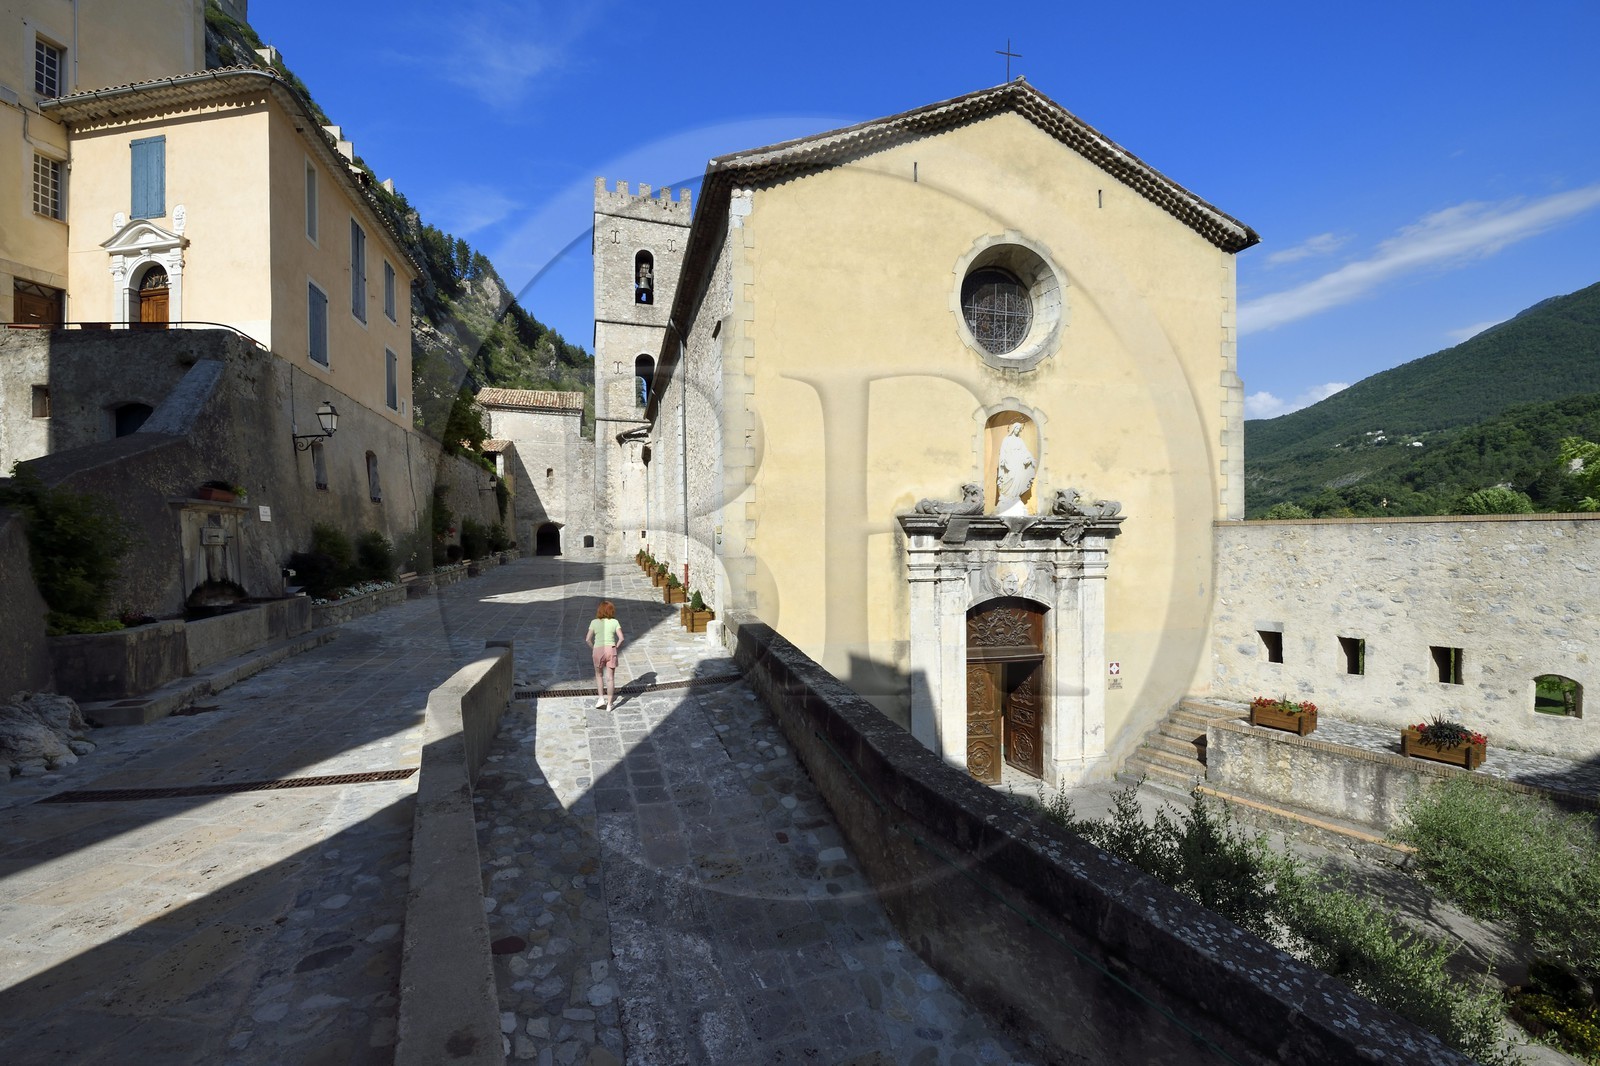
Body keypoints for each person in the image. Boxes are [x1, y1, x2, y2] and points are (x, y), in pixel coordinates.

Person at [586, 600, 624, 711]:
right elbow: (621, 638)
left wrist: (594, 648)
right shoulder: (615, 622)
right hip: (610, 649)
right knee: (610, 678)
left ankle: (601, 698)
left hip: (598, 649)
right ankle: (609, 704)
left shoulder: (594, 622)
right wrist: (616, 646)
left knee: (598, 675)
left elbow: (587, 639)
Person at [996, 422, 1036, 515]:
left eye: (1019, 429)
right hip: (1009, 463)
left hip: (1018, 463)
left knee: (1017, 479)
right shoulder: (1006, 439)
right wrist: (1003, 461)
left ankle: (1015, 497)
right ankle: (1006, 497)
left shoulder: (1020, 441)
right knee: (1009, 478)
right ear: (1013, 429)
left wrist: (1029, 459)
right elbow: (1003, 451)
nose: (1018, 430)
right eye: (1017, 428)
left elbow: (1025, 451)